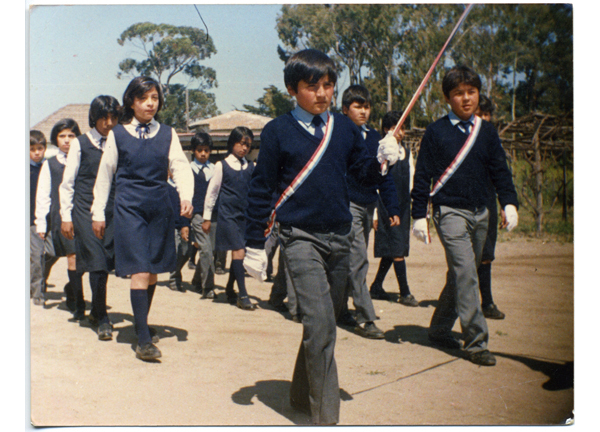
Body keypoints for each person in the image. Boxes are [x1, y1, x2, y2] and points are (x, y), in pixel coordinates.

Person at [243, 48, 402, 425]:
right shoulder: (276, 131)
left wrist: (383, 160)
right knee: (321, 324)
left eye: (328, 85)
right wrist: (253, 244)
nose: (322, 94)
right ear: (292, 89)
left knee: (323, 321)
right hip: (299, 239)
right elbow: (261, 189)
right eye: (311, 86)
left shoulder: (344, 128)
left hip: (341, 239)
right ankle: (326, 419)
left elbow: (364, 176)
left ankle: (301, 395)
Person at [411, 65, 519, 367]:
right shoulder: (436, 131)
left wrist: (509, 203)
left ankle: (438, 328)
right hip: (449, 213)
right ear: (448, 98)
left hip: (481, 213)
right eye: (459, 93)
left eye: (471, 92)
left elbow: (500, 170)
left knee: (462, 274)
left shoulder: (486, 132)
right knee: (466, 272)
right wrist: (419, 214)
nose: (466, 98)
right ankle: (476, 342)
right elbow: (423, 176)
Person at [91, 76, 194, 361]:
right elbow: (104, 176)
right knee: (139, 269)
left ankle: (140, 323)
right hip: (129, 208)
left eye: (155, 98)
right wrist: (98, 213)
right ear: (132, 102)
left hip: (159, 208)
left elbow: (181, 168)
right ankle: (144, 341)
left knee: (153, 273)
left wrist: (186, 196)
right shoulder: (118, 134)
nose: (150, 103)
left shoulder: (168, 133)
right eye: (144, 98)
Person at [337, 85, 401, 339]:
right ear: (345, 109)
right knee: (357, 259)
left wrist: (392, 207)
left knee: (349, 260)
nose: (363, 111)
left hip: (368, 204)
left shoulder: (376, 138)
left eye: (366, 107)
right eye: (357, 106)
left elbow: (384, 177)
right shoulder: (338, 134)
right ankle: (365, 317)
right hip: (345, 204)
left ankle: (340, 309)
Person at [59, 96, 121, 340]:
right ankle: (102, 317)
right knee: (97, 261)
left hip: (112, 210)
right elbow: (67, 183)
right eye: (103, 117)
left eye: (113, 117)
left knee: (105, 262)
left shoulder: (118, 142)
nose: (108, 122)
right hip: (85, 210)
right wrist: (66, 216)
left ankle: (95, 310)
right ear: (93, 118)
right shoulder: (80, 144)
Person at [202, 126, 256, 310]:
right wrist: (207, 217)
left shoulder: (250, 166)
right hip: (228, 215)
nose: (244, 148)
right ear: (232, 143)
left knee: (239, 253)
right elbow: (212, 193)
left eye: (248, 145)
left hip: (245, 216)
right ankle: (243, 294)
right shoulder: (221, 165)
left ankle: (230, 287)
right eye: (241, 143)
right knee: (238, 251)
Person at [370, 110, 420, 307]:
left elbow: (412, 180)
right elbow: (376, 183)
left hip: (404, 206)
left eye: (402, 128)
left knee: (395, 248)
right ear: (386, 129)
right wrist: (375, 212)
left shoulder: (406, 153)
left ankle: (376, 286)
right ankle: (405, 292)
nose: (399, 132)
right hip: (386, 206)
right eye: (394, 128)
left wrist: (418, 206)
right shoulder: (382, 151)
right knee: (397, 248)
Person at [35, 118, 83, 318]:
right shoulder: (50, 164)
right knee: (70, 257)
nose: (67, 140)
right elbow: (43, 194)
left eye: (71, 136)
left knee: (82, 259)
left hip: (82, 215)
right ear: (56, 139)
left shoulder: (84, 159)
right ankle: (76, 301)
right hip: (60, 217)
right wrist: (41, 222)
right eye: (62, 136)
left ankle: (72, 289)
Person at [475, 95, 506, 320]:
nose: (484, 119)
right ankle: (459, 302)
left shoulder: (493, 141)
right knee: (465, 258)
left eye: (487, 115)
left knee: (486, 255)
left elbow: (501, 174)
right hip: (464, 204)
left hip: (488, 203)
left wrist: (506, 204)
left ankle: (487, 302)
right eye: (480, 115)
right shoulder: (461, 140)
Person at [188, 132, 217, 299]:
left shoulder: (215, 169)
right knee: (205, 250)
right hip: (197, 215)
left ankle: (197, 280)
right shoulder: (188, 170)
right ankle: (208, 287)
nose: (203, 154)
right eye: (199, 150)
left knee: (209, 251)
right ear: (193, 151)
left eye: (206, 150)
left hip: (213, 215)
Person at [30, 130, 47, 306]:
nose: (36, 152)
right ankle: (36, 290)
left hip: (38, 219)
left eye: (39, 148)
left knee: (39, 256)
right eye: (32, 148)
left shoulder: (47, 168)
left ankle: (38, 291)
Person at [167, 171, 192, 293]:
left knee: (186, 252)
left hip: (182, 223)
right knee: (176, 251)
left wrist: (185, 224)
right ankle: (174, 279)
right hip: (168, 225)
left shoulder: (183, 187)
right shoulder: (163, 186)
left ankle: (176, 272)